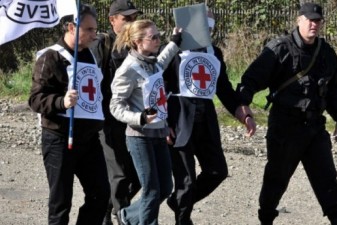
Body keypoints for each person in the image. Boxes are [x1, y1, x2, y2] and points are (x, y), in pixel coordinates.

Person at [236, 3, 337, 225]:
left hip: (314, 128)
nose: (314, 24)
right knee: (276, 180)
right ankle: (266, 218)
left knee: (329, 184)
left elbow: (333, 93)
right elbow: (251, 79)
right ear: (298, 20)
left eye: (318, 20)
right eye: (310, 19)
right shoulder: (280, 49)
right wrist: (243, 105)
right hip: (285, 127)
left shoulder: (326, 53)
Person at [162, 9, 256, 225]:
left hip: (206, 120)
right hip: (179, 119)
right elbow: (159, 88)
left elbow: (223, 88)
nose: (208, 33)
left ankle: (179, 203)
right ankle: (183, 219)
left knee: (217, 171)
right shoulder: (172, 51)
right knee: (186, 180)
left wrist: (243, 114)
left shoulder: (215, 53)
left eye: (211, 29)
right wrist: (164, 123)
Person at [28, 4, 110, 225]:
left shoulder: (92, 56)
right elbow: (35, 99)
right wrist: (61, 102)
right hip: (60, 138)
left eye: (95, 29)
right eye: (89, 29)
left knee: (101, 195)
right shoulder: (51, 57)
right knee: (61, 202)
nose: (95, 34)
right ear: (72, 27)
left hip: (89, 138)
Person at [109, 19, 182, 225]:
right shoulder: (128, 69)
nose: (159, 40)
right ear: (138, 42)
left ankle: (127, 216)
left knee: (165, 188)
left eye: (160, 35)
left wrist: (174, 42)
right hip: (139, 136)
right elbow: (115, 106)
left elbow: (162, 61)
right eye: (154, 37)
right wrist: (138, 118)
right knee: (151, 190)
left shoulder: (151, 63)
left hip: (158, 133)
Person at [90, 1, 141, 224]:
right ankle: (122, 218)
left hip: (131, 119)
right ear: (113, 20)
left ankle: (104, 206)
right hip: (107, 120)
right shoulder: (102, 44)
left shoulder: (137, 45)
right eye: (126, 19)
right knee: (119, 173)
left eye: (134, 18)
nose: (132, 23)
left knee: (139, 175)